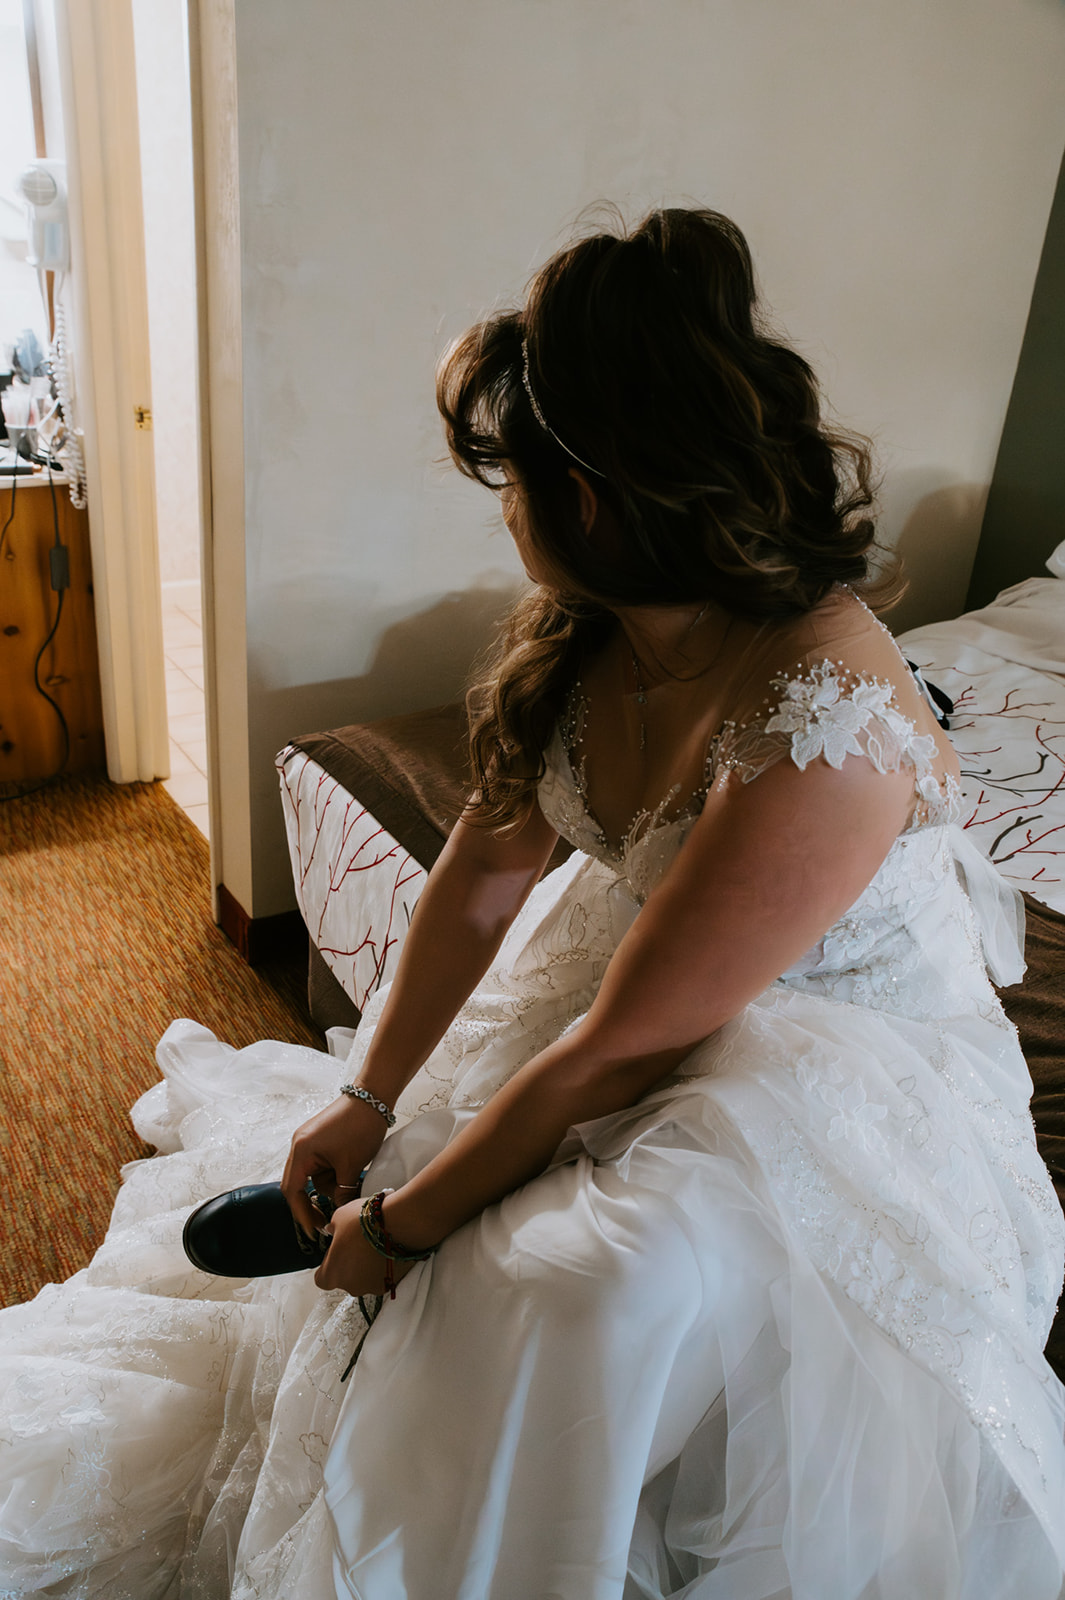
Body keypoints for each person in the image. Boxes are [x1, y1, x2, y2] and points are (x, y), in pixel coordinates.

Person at [1, 207, 1063, 1600]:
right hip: (652, 967)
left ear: (601, 497)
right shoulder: (591, 633)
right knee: (450, 1172)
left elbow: (621, 1047)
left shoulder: (830, 722)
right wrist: (368, 1099)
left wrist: (404, 1226)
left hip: (823, 1048)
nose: (501, 508)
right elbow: (481, 875)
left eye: (513, 477)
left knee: (573, 1284)